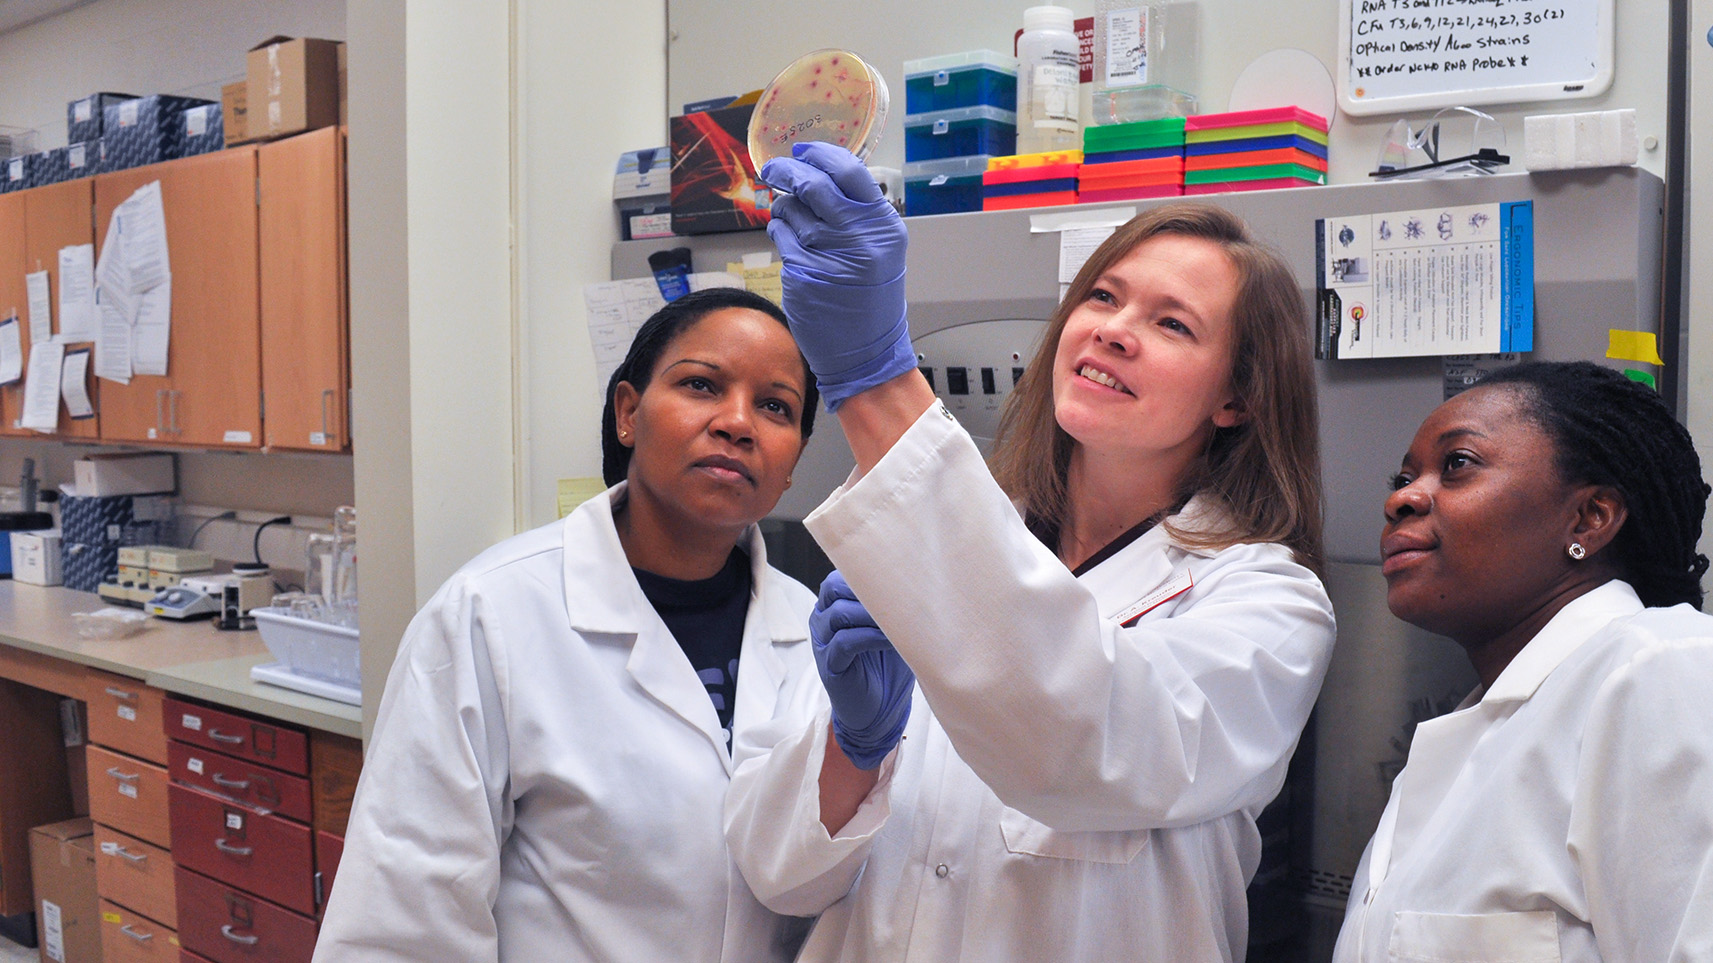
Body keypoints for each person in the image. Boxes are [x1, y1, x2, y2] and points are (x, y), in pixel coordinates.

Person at [724, 143, 1337, 960]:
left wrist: (875, 379)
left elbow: (1083, 738)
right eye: (1103, 296)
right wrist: (854, 744)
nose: (1115, 331)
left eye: (1170, 323)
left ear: (1238, 395)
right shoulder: (920, 543)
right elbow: (775, 877)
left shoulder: (1266, 604)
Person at [313, 288, 823, 963]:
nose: (737, 422)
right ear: (627, 414)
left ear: (790, 465)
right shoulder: (490, 615)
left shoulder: (817, 633)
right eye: (701, 384)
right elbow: (402, 919)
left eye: (774, 406)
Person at [1333, 360, 1713, 962]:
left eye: (1457, 464)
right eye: (1402, 476)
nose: (1402, 498)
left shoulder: (1659, 671)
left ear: (1589, 518)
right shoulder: (1469, 742)